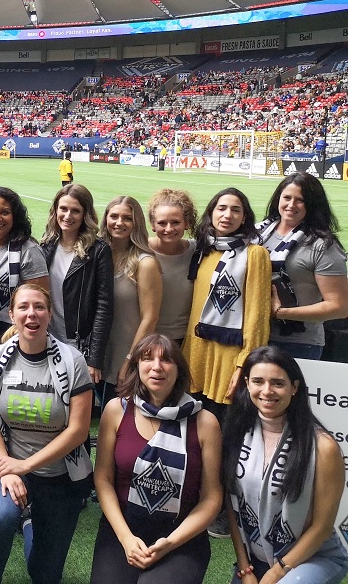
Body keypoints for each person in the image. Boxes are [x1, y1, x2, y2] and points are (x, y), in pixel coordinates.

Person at [0, 283, 93, 584]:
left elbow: (79, 430)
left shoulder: (72, 361)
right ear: (12, 314)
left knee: (45, 576)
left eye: (39, 307)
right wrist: (8, 467)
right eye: (24, 307)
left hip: (60, 474)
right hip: (12, 466)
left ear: (49, 313)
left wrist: (26, 466)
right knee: (1, 519)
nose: (32, 314)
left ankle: (30, 524)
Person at [91, 335, 222, 584]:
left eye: (167, 359)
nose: (157, 366)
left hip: (181, 536)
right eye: (147, 358)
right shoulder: (116, 410)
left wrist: (171, 542)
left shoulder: (205, 423)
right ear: (137, 366)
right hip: (123, 529)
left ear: (179, 369)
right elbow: (103, 478)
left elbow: (212, 497)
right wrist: (126, 538)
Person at [223, 347, 348, 584]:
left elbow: (322, 527)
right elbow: (233, 505)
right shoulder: (236, 433)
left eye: (278, 383)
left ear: (295, 388)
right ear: (247, 384)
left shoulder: (323, 447)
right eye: (258, 381)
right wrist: (245, 567)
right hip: (255, 558)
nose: (267, 391)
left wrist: (276, 573)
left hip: (313, 557)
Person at [183, 188, 271, 419]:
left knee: (224, 435)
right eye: (221, 208)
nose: (227, 215)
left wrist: (245, 364)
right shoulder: (202, 251)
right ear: (211, 213)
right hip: (196, 356)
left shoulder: (255, 255)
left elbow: (258, 316)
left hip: (230, 360)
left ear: (244, 218)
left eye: (235, 210)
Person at [257, 173, 348, 360]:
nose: (291, 205)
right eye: (287, 198)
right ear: (278, 199)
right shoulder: (257, 233)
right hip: (253, 336)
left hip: (298, 343)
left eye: (300, 200)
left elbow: (340, 307)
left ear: (313, 204)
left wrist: (282, 313)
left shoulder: (323, 245)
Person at [39, 184, 113, 384]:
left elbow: (104, 307)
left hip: (79, 344)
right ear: (55, 211)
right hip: (48, 338)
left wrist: (95, 358)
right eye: (63, 209)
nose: (67, 216)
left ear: (85, 215)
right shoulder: (46, 245)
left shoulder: (98, 251)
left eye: (75, 211)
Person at [99, 196, 162, 406]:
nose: (119, 222)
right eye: (114, 216)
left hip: (126, 355)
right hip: (100, 352)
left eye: (127, 218)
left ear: (136, 223)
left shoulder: (145, 263)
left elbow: (150, 318)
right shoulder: (99, 255)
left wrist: (130, 360)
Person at [0, 187, 50, 353]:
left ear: (15, 216)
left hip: (12, 336)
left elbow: (41, 300)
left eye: (5, 212)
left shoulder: (29, 251)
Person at [147, 189, 198, 345]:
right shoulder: (141, 250)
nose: (169, 229)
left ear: (187, 223)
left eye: (175, 222)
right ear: (153, 225)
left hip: (186, 340)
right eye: (162, 223)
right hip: (148, 337)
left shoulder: (197, 251)